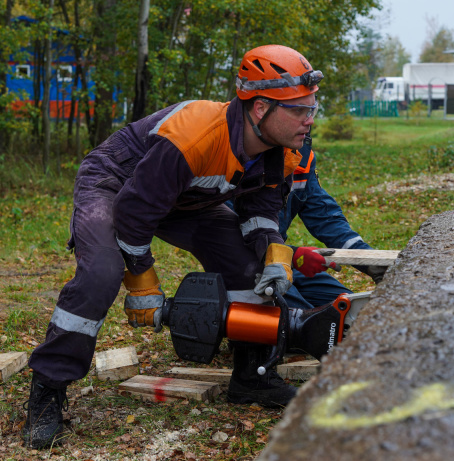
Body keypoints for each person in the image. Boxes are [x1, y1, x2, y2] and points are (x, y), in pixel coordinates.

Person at [22, 45, 323, 449]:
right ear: (260, 108)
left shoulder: (282, 153)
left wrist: (274, 255)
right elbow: (133, 214)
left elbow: (261, 212)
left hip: (186, 198)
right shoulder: (195, 134)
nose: (309, 120)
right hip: (116, 183)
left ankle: (253, 375)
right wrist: (143, 285)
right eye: (299, 110)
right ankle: (47, 392)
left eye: (312, 109)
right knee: (102, 273)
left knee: (247, 266)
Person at [277, 142, 387, 311]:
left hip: (281, 260)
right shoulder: (242, 154)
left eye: (311, 113)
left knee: (349, 310)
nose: (310, 120)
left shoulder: (301, 154)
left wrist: (370, 259)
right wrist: (292, 256)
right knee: (302, 324)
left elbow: (324, 216)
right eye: (299, 113)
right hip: (245, 265)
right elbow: (230, 237)